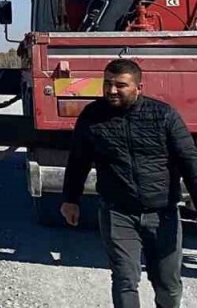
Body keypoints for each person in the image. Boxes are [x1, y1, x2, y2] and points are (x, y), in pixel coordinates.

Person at [62, 59, 197, 308]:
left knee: (168, 284)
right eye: (107, 84)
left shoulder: (163, 115)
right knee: (125, 279)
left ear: (139, 87)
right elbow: (78, 160)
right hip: (117, 212)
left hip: (162, 212)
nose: (111, 90)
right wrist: (70, 199)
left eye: (120, 85)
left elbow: (189, 160)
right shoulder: (92, 116)